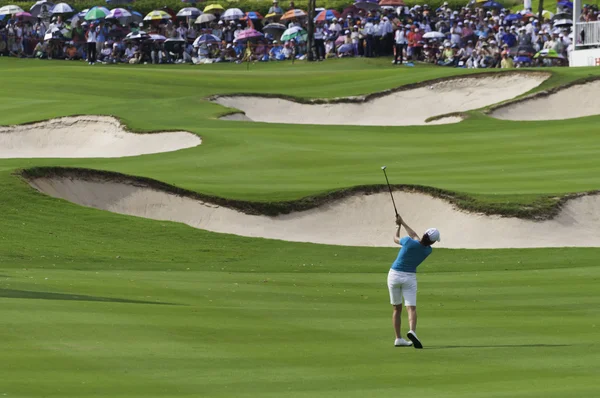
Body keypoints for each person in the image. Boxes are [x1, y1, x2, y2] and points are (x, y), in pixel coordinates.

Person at [387, 215, 440, 349]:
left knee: (396, 308)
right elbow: (415, 236)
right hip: (409, 278)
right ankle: (412, 331)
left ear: (424, 234)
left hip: (394, 275)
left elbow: (395, 239)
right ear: (432, 242)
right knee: (411, 308)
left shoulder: (408, 242)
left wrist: (398, 226)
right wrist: (403, 222)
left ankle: (398, 338)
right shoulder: (428, 250)